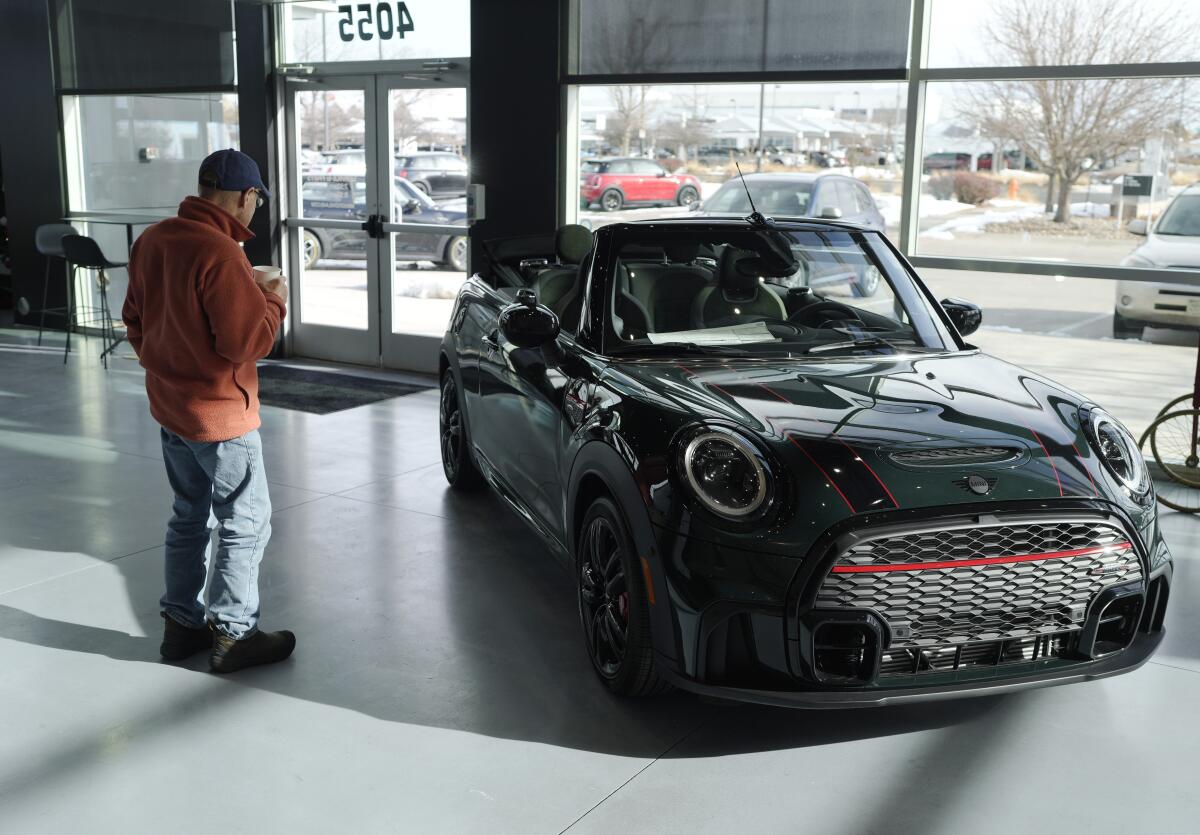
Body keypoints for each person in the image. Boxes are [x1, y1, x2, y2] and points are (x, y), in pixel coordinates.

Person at [121, 149, 295, 674]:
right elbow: (245, 342)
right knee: (246, 522)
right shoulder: (220, 252)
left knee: (189, 516)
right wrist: (275, 300)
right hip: (220, 418)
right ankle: (234, 634)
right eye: (255, 202)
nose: (254, 212)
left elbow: (135, 319)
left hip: (171, 410)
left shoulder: (153, 240)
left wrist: (166, 365)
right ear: (245, 197)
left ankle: (181, 625)